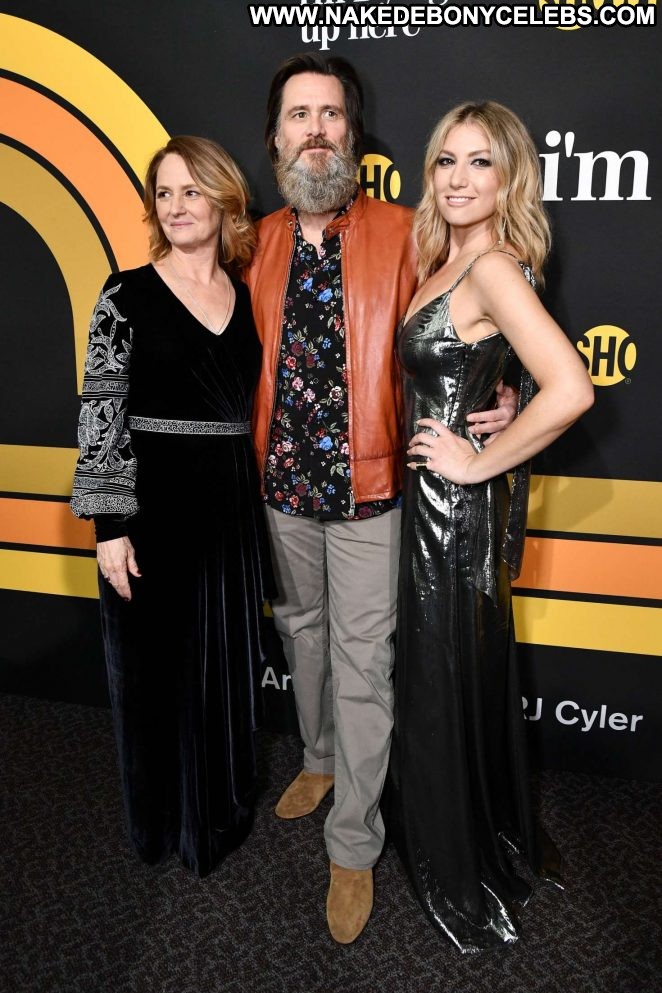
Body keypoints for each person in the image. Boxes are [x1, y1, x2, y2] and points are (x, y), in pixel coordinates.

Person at [246, 55, 516, 943]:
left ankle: (354, 842)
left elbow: (470, 315)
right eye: (299, 115)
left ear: (352, 134)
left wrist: (504, 390)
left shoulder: (406, 231)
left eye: (330, 114)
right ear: (276, 138)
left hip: (371, 491)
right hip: (281, 487)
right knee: (302, 634)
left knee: (364, 666)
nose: (315, 130)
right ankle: (319, 758)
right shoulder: (259, 242)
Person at [386, 101, 594, 951]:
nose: (459, 178)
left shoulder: (494, 267)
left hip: (454, 515)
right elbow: (496, 372)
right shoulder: (449, 258)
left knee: (443, 680)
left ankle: (459, 855)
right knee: (444, 677)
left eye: (480, 162)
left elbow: (573, 388)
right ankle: (462, 826)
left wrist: (474, 463)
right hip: (436, 510)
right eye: (447, 160)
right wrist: (504, 401)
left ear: (509, 178)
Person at [71, 136, 274, 877]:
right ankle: (160, 823)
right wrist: (110, 526)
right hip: (151, 511)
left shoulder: (248, 295)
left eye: (193, 191)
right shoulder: (124, 293)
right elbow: (101, 411)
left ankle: (216, 813)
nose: (177, 206)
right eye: (165, 193)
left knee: (222, 667)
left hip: (229, 507)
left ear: (224, 201)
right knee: (154, 673)